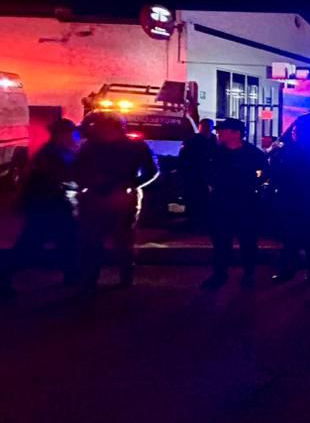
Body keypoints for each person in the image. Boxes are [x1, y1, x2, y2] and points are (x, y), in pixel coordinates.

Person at [73, 112, 158, 290]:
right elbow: (77, 170)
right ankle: (115, 278)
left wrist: (131, 185)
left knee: (110, 240)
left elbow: (77, 170)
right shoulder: (94, 145)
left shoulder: (93, 146)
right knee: (113, 240)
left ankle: (104, 279)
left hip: (112, 198)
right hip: (106, 197)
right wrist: (132, 185)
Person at [2, 118, 79, 296]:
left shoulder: (55, 151)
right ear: (62, 134)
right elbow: (58, 177)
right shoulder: (51, 153)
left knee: (64, 239)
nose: (74, 137)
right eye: (71, 133)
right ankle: (4, 279)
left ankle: (71, 275)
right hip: (47, 204)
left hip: (49, 203)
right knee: (32, 243)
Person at [202, 119, 268, 289]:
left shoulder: (253, 154)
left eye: (223, 130)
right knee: (221, 241)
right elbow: (206, 172)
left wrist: (250, 185)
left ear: (235, 133)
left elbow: (265, 174)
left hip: (246, 203)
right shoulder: (215, 152)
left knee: (248, 241)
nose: (219, 133)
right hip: (221, 203)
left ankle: (248, 275)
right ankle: (220, 275)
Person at [269, 116, 310, 283]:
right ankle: (289, 269)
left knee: (309, 238)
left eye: (297, 131)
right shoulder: (288, 149)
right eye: (294, 131)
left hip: (304, 198)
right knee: (289, 237)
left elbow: (298, 172)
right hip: (289, 197)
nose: (294, 133)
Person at [177, 118, 217, 230]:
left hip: (208, 173)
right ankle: (193, 220)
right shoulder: (192, 139)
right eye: (205, 126)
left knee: (206, 198)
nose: (207, 129)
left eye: (209, 126)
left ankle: (203, 220)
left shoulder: (214, 139)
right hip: (194, 173)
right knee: (193, 197)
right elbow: (183, 156)